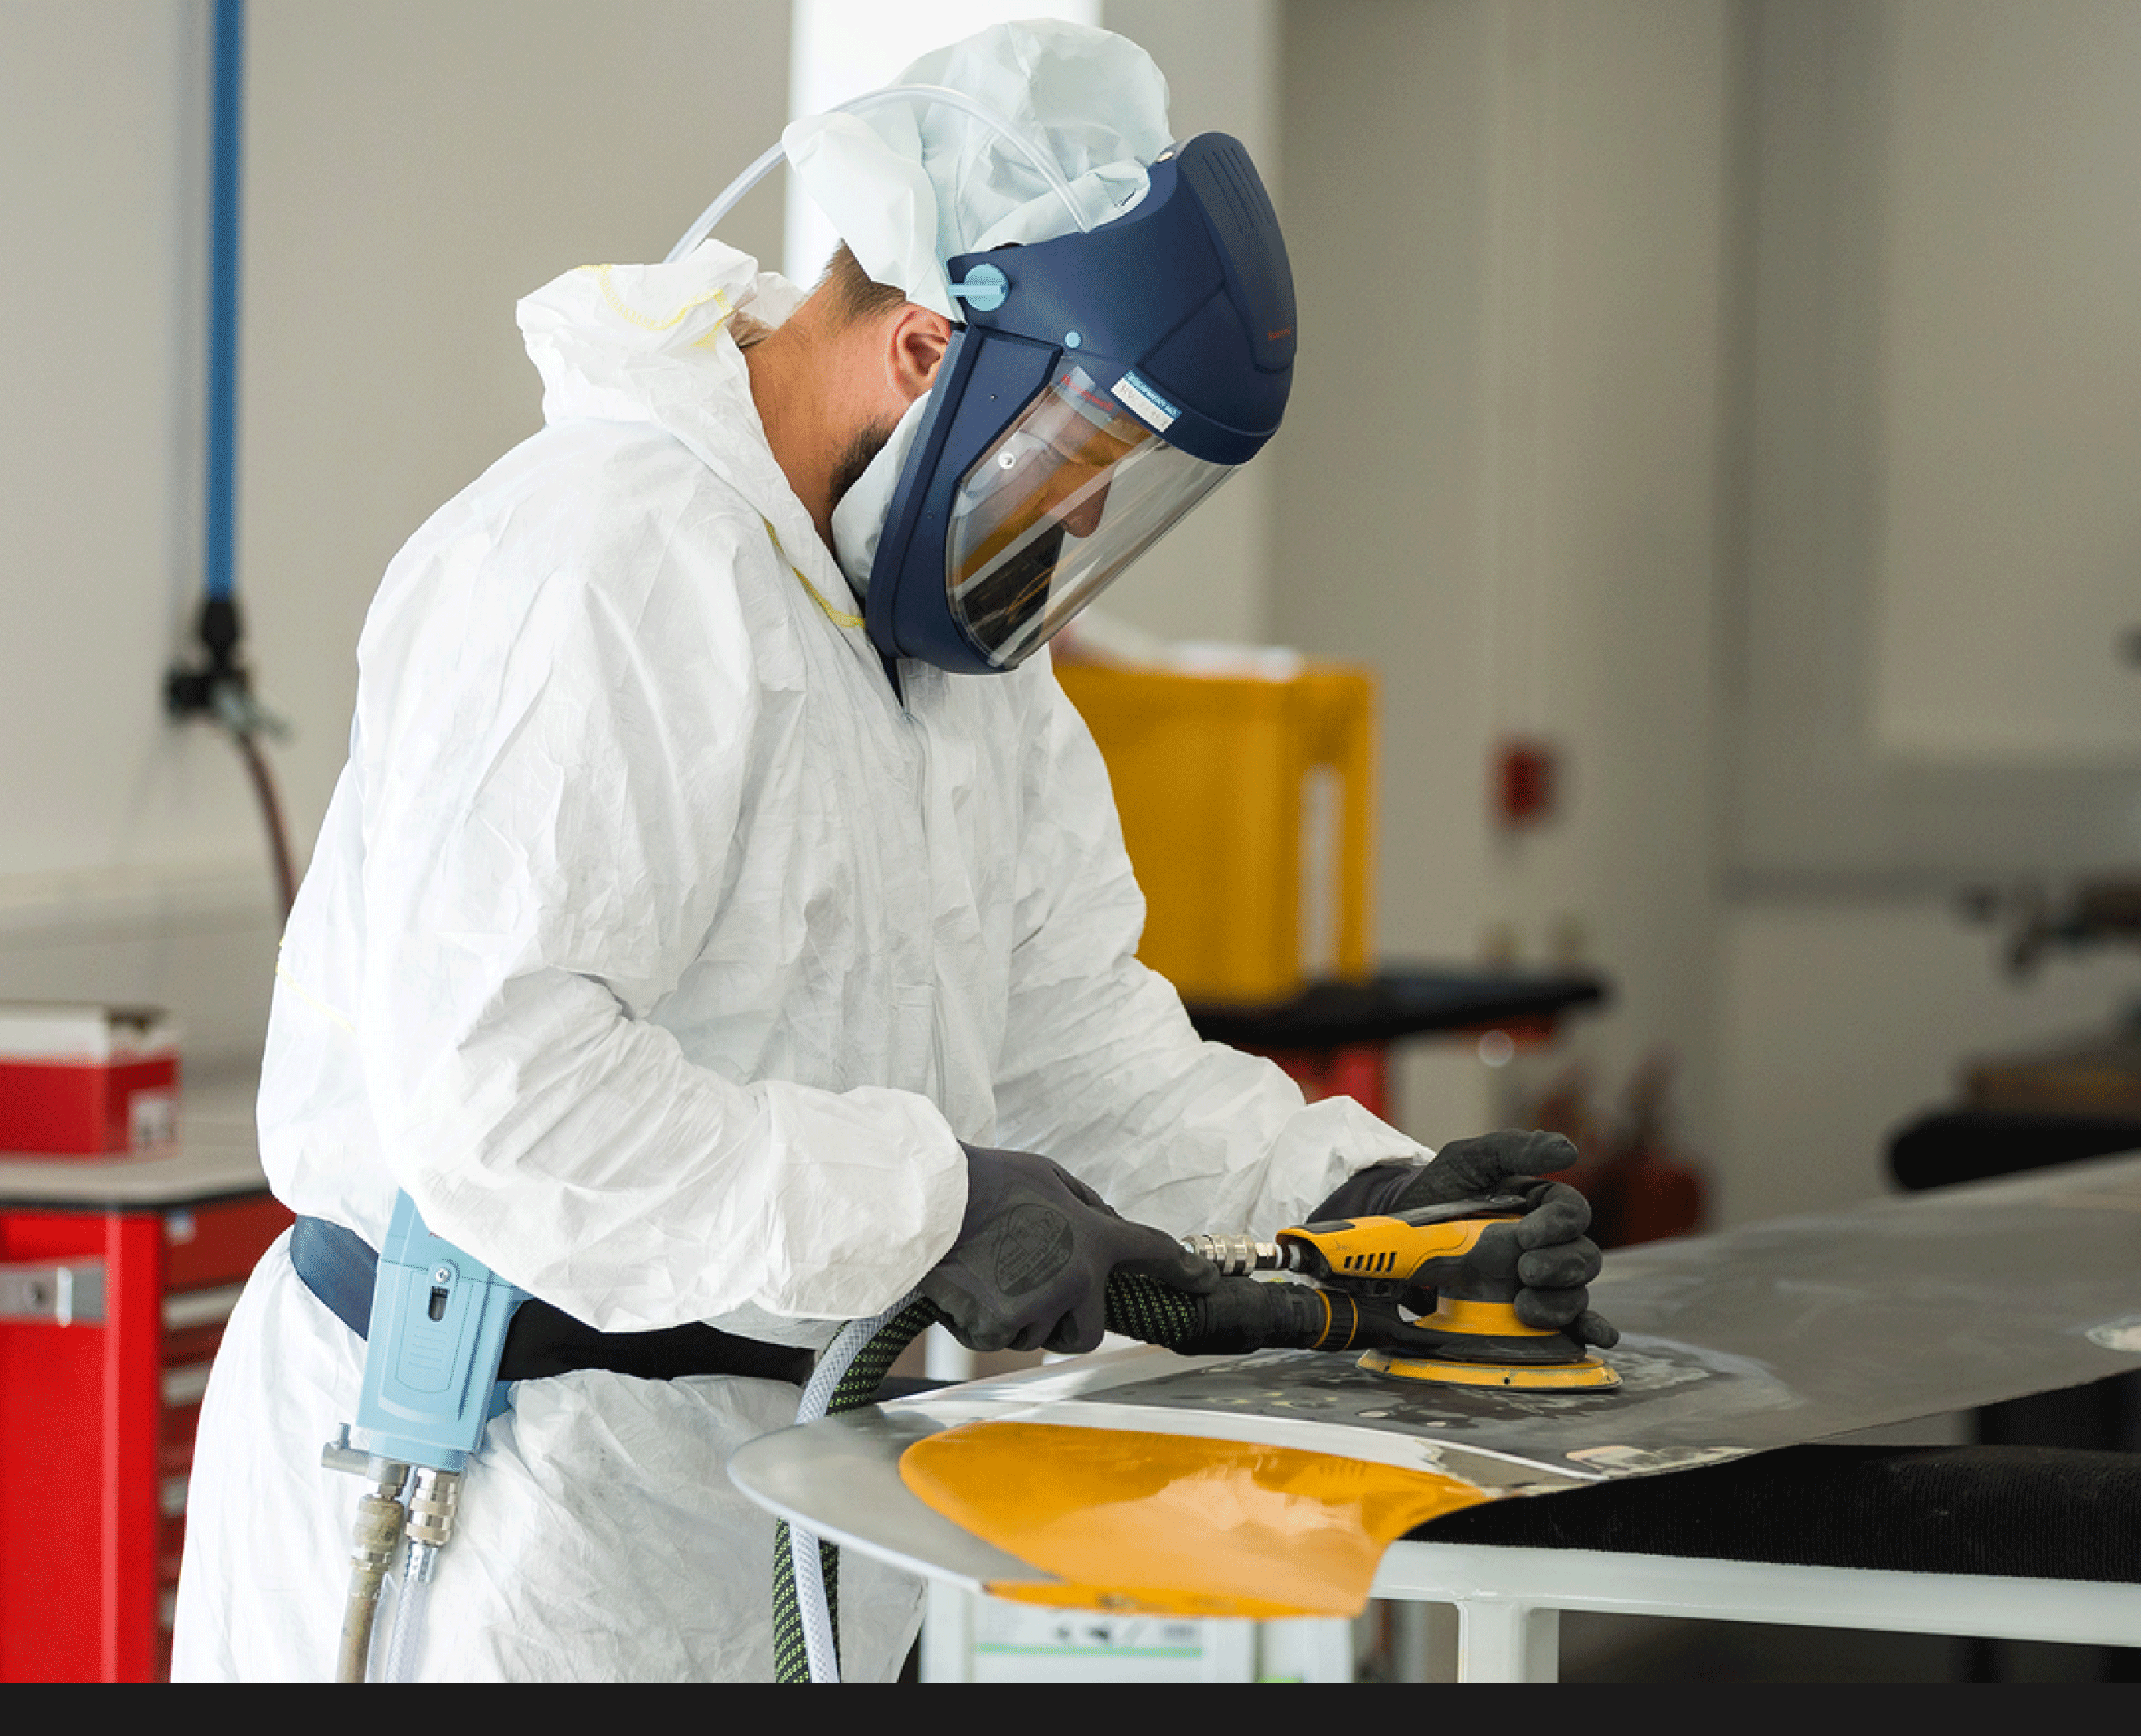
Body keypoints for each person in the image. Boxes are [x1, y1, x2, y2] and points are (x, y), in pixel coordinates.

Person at [171, 21, 1605, 1682]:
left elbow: (1073, 1050)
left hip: (777, 1511)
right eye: (1081, 457)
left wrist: (1357, 1202)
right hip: (498, 1507)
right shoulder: (599, 567)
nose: (1083, 520)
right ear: (929, 352)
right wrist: (927, 1206)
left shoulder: (958, 672)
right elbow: (511, 1101)